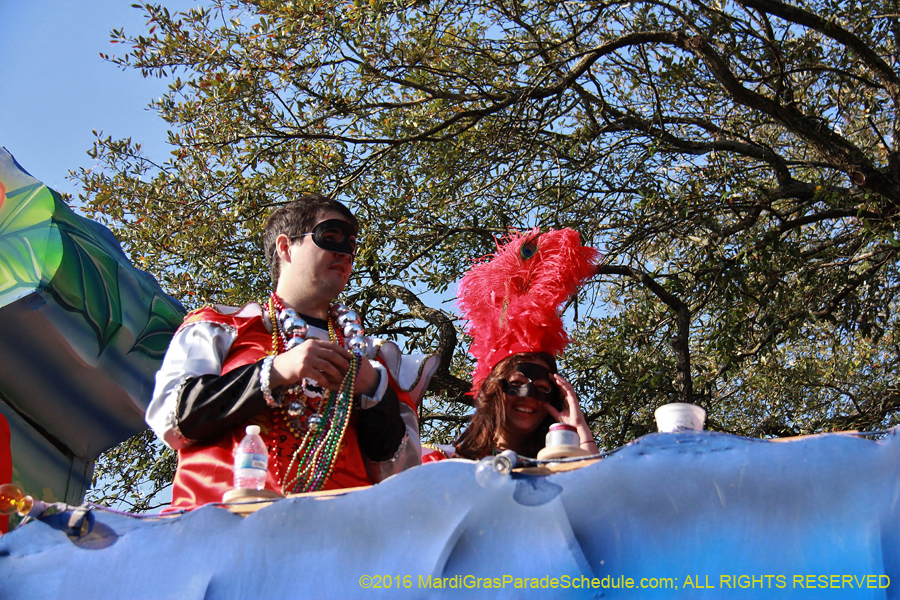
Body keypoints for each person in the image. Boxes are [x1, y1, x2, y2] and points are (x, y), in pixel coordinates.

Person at [147, 193, 438, 510]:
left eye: (351, 245)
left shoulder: (374, 359)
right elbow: (171, 418)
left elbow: (403, 477)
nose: (345, 254)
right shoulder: (222, 327)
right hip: (225, 529)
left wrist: (373, 391)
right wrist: (274, 372)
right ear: (285, 247)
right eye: (330, 237)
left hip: (340, 539)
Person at [422, 227, 600, 462]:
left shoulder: (559, 471)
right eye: (517, 382)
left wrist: (578, 431)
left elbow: (598, 490)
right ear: (492, 389)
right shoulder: (442, 461)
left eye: (543, 387)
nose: (529, 395)